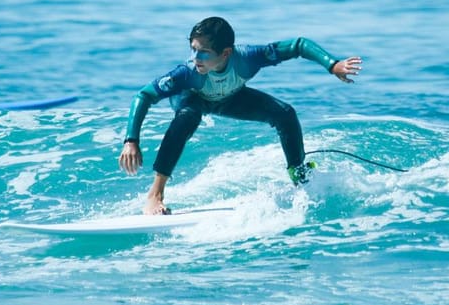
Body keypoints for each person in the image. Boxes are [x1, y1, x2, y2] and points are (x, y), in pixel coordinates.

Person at [119, 17, 362, 215]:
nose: (196, 59)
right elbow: (144, 95)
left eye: (203, 53)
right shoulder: (187, 73)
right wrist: (131, 141)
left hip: (230, 98)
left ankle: (298, 173)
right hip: (192, 99)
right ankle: (155, 194)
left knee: (285, 114)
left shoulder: (248, 58)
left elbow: (298, 45)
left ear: (225, 53)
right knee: (187, 117)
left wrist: (332, 64)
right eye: (193, 50)